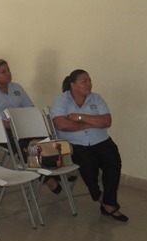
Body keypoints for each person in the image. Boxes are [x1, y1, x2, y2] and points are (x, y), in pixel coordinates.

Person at [0, 59, 61, 193]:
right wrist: (12, 126)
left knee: (44, 138)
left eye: (8, 70)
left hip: (21, 126)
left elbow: (30, 108)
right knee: (24, 145)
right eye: (3, 72)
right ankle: (47, 178)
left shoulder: (16, 88)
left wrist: (29, 123)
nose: (8, 73)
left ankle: (51, 166)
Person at [51, 69, 126, 221]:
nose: (89, 84)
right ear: (73, 85)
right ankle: (99, 196)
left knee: (113, 162)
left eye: (89, 81)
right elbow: (62, 124)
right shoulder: (62, 100)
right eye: (84, 81)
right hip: (74, 143)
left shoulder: (97, 98)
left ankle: (108, 202)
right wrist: (90, 123)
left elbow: (106, 121)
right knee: (88, 163)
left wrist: (79, 117)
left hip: (100, 140)